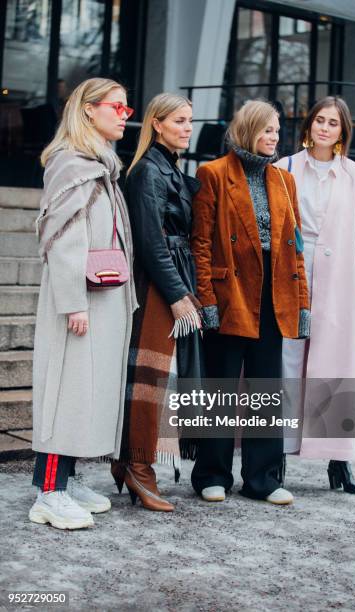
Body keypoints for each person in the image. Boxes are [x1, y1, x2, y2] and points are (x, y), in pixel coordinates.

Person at [190, 100, 310, 505]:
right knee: (222, 387)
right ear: (247, 131)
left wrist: (302, 303)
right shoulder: (213, 173)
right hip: (229, 294)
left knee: (264, 389)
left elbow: (295, 249)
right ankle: (212, 474)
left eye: (277, 130)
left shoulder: (283, 181)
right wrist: (205, 299)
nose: (274, 137)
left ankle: (263, 478)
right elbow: (201, 244)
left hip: (273, 294)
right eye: (266, 130)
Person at [29, 78, 137, 529]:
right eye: (118, 107)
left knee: (85, 393)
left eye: (128, 110)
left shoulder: (100, 165)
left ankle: (65, 479)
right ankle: (49, 493)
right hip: (77, 300)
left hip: (102, 295)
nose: (124, 116)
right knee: (65, 394)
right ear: (89, 110)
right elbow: (63, 240)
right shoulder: (71, 165)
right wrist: (73, 302)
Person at [111, 93, 202, 512]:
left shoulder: (169, 167)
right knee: (150, 380)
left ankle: (130, 464)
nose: (187, 127)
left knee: (160, 380)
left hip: (172, 278)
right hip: (156, 286)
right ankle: (138, 466)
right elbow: (150, 242)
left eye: (189, 120)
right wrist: (177, 295)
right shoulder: (148, 169)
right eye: (179, 120)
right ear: (157, 124)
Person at [277, 96, 355, 494]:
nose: (325, 128)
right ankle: (274, 456)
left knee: (336, 368)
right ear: (309, 125)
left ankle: (339, 462)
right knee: (287, 359)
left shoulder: (354, 175)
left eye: (333, 123)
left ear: (342, 131)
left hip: (339, 280)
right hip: (294, 271)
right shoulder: (285, 168)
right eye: (320, 120)